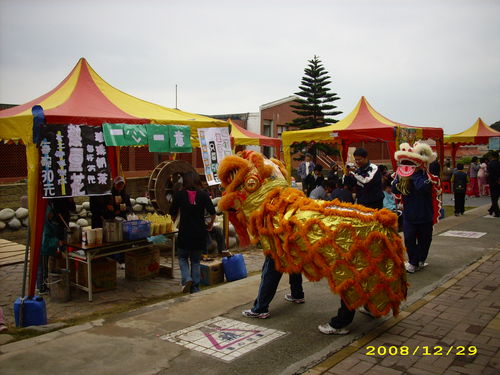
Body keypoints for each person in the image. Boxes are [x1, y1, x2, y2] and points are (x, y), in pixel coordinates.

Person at [170, 171, 216, 293]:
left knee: (182, 258)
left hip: (184, 232)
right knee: (195, 261)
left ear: (184, 182)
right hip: (199, 233)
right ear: (197, 181)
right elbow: (213, 212)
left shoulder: (179, 195)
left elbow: (172, 212)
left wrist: (174, 220)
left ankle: (186, 278)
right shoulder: (204, 195)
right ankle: (195, 287)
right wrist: (210, 225)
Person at [392, 166, 434, 273]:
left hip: (425, 214)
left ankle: (421, 259)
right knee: (409, 239)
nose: (409, 167)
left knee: (425, 240)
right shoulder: (402, 175)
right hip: (409, 215)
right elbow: (394, 188)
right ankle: (413, 262)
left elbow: (422, 187)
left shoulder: (427, 175)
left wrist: (412, 175)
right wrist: (401, 176)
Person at [487, 151, 500, 217]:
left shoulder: (490, 164)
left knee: (494, 198)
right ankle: (491, 210)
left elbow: (490, 174)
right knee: (496, 197)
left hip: (493, 182)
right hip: (499, 182)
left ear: (492, 157)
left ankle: (497, 212)